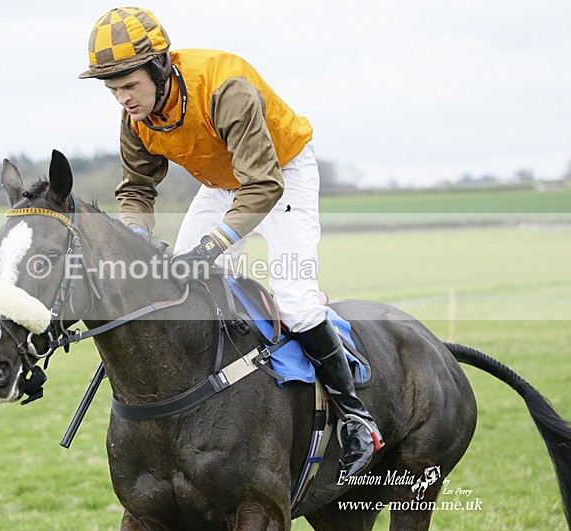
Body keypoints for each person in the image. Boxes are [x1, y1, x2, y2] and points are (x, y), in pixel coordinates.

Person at [79, 6, 383, 478]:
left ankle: (356, 418)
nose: (122, 99)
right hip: (223, 184)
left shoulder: (225, 86)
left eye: (129, 85)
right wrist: (137, 239)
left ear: (160, 66)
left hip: (282, 173)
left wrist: (211, 248)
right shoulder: (135, 115)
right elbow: (137, 189)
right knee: (181, 289)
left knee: (296, 301)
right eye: (112, 89)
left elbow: (262, 185)